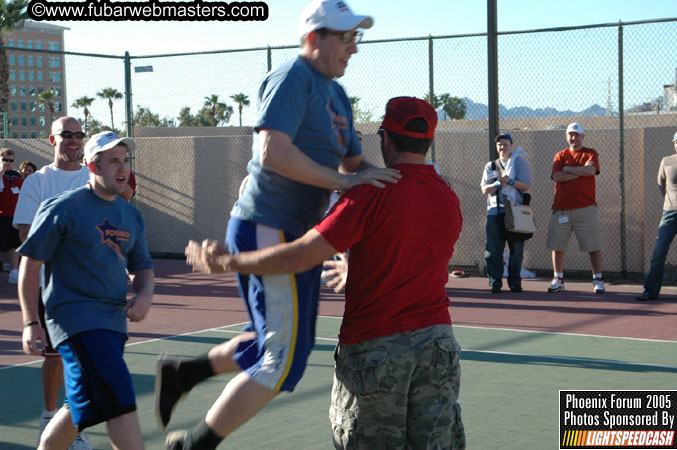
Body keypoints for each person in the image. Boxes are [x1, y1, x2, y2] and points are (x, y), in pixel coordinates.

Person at [154, 1, 400, 448]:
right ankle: (193, 445)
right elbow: (273, 153)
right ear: (313, 39)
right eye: (345, 37)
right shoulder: (292, 78)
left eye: (355, 37)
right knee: (281, 359)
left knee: (286, 345)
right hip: (268, 225)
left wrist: (397, 182)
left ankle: (186, 372)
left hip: (297, 232)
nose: (353, 48)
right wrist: (346, 181)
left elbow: (355, 163)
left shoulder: (337, 93)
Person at [181, 97, 465, 449]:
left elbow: (300, 256)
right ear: (429, 141)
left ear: (384, 139)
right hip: (438, 345)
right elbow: (412, 251)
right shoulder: (447, 195)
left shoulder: (370, 192)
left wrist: (230, 262)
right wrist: (359, 265)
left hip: (377, 348)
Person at [18, 130, 155, 450]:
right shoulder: (62, 208)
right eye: (113, 162)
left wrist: (145, 293)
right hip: (75, 319)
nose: (122, 169)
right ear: (93, 167)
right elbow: (30, 263)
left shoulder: (131, 216)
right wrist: (30, 322)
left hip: (113, 321)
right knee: (119, 396)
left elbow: (143, 266)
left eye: (125, 161)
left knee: (84, 404)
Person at [12, 117, 92, 448]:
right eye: (66, 136)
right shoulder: (38, 182)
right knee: (55, 357)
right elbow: (25, 233)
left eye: (78, 135)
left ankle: (75, 424)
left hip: (93, 287)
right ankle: (49, 418)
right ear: (52, 140)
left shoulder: (94, 177)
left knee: (88, 358)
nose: (73, 141)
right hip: (53, 287)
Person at [546, 122, 605, 294]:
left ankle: (598, 279)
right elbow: (557, 176)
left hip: (586, 208)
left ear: (582, 137)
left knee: (593, 246)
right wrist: (580, 171)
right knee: (557, 246)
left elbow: (591, 171)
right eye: (571, 134)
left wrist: (568, 169)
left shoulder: (590, 153)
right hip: (561, 209)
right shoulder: (560, 155)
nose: (574, 138)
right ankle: (558, 278)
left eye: (577, 135)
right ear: (566, 136)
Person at [480, 134, 532, 293]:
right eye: (500, 145)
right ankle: (495, 281)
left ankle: (515, 281)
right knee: (493, 250)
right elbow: (484, 189)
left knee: (516, 250)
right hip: (495, 213)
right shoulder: (491, 166)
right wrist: (498, 183)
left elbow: (526, 185)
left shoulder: (519, 162)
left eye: (506, 144)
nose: (503, 147)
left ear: (511, 145)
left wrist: (510, 181)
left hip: (515, 212)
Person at [637, 131, 677, 301]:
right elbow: (661, 184)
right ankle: (651, 291)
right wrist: (669, 201)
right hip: (670, 213)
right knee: (658, 252)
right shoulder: (666, 161)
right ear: (674, 143)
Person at [0, 148, 23, 284]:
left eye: (10, 160)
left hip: (14, 215)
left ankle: (14, 272)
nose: (8, 163)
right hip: (1, 215)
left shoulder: (16, 175)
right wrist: (1, 170)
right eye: (5, 160)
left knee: (14, 245)